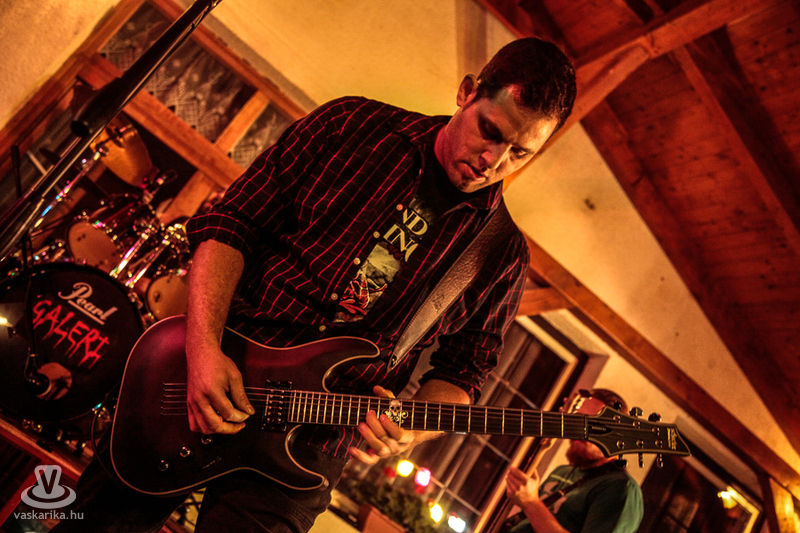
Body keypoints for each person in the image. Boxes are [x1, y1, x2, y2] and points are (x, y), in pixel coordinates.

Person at [52, 37, 576, 533]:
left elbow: (464, 370)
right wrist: (203, 347)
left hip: (309, 445)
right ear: (466, 92)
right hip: (211, 370)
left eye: (520, 153)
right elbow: (233, 223)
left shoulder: (501, 253)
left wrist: (414, 428)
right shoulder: (353, 125)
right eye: (491, 131)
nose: (493, 161)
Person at [504, 389, 644, 533]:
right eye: (578, 420)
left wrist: (531, 503)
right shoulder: (562, 471)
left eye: (592, 424)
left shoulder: (621, 488)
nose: (580, 429)